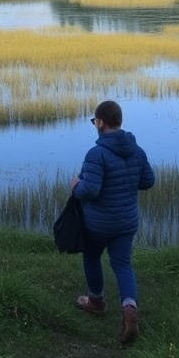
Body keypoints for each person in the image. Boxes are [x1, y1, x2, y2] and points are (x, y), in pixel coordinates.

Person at [69, 99, 155, 344]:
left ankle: (95, 302)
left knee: (92, 257)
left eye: (94, 121)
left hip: (98, 223)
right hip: (126, 222)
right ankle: (129, 311)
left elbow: (90, 190)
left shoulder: (97, 153)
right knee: (123, 265)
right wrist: (127, 179)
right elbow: (148, 181)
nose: (94, 124)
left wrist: (76, 186)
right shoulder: (136, 150)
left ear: (101, 122)